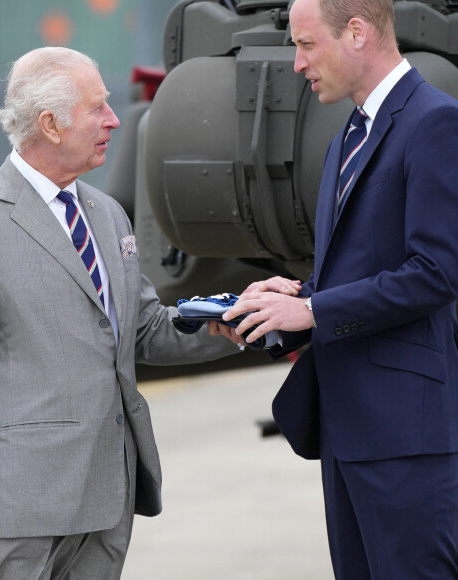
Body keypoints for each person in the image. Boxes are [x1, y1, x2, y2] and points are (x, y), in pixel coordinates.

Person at [0, 47, 242, 579]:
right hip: (19, 510)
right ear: (50, 123)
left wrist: (240, 318)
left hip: (106, 498)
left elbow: (145, 330)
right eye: (97, 108)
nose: (114, 120)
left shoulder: (106, 214)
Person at [219, 0, 458, 577]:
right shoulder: (348, 135)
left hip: (407, 437)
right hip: (349, 431)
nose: (297, 63)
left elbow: (438, 272)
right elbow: (359, 270)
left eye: (306, 45)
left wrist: (314, 309)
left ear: (356, 33)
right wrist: (282, 302)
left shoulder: (435, 123)